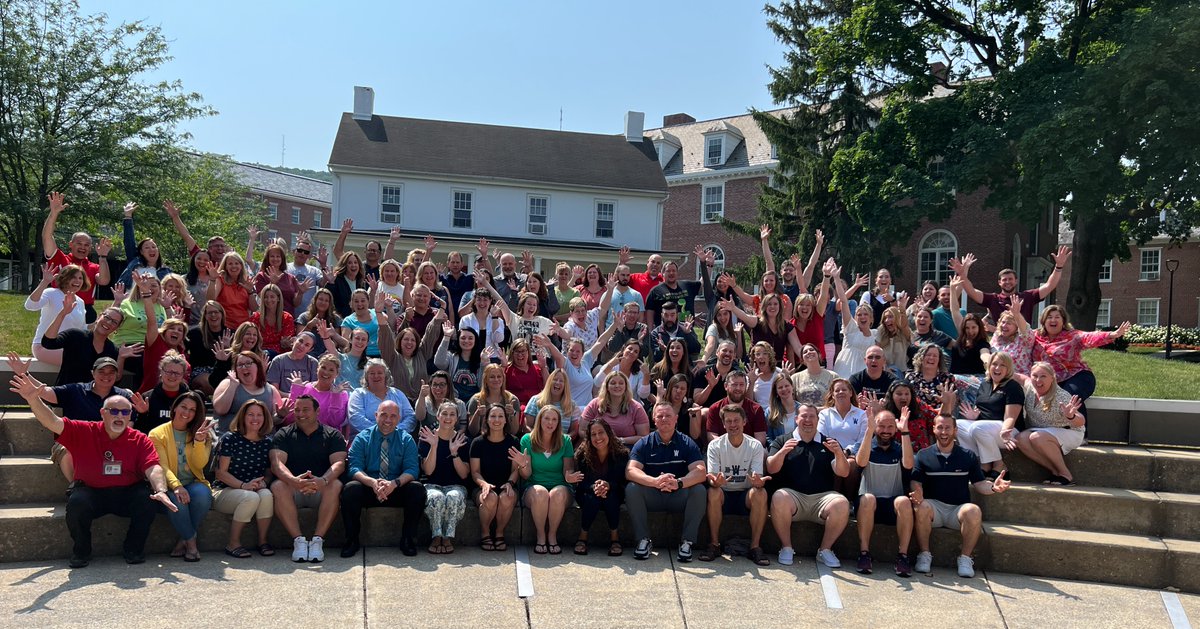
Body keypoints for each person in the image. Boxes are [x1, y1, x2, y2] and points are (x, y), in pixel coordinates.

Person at [11, 373, 176, 568]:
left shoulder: (140, 439)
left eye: (125, 412)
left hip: (126, 492)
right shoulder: (84, 430)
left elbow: (153, 467)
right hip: (92, 492)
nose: (119, 416)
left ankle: (133, 549)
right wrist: (33, 399)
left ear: (130, 416)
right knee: (76, 502)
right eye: (114, 411)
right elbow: (52, 422)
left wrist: (161, 490)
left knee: (146, 500)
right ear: (103, 413)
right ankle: (81, 550)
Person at [910, 414, 1012, 577]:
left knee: (974, 510)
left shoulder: (968, 456)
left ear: (955, 430)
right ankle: (924, 555)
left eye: (948, 428)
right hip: (933, 510)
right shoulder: (923, 455)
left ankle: (965, 558)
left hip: (957, 511)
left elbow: (979, 484)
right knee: (921, 506)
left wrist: (993, 487)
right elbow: (916, 481)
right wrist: (917, 490)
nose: (944, 432)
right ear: (934, 429)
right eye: (940, 427)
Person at [767, 403, 850, 568]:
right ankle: (786, 547)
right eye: (804, 416)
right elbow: (771, 468)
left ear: (818, 420)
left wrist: (839, 454)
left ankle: (825, 550)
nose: (808, 420)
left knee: (842, 503)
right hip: (793, 498)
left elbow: (843, 472)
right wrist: (783, 452)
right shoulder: (783, 440)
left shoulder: (829, 443)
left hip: (822, 499)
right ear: (796, 419)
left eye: (812, 416)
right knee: (778, 496)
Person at [341, 399, 426, 557]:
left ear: (399, 419)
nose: (388, 420)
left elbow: (412, 469)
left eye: (393, 416)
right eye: (384, 415)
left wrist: (394, 483)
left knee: (417, 489)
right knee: (350, 489)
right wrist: (372, 483)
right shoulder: (362, 438)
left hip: (395, 488)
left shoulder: (406, 439)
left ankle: (408, 540)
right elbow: (354, 468)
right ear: (376, 415)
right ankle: (351, 540)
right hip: (370, 487)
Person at [625, 402, 707, 562]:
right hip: (653, 495)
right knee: (632, 488)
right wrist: (654, 481)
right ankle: (643, 540)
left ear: (676, 419)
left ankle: (687, 542)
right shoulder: (644, 443)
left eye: (668, 416)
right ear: (654, 420)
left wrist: (679, 482)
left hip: (678, 495)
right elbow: (630, 471)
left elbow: (701, 471)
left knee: (699, 490)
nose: (664, 419)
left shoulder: (687, 442)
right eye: (660, 416)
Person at [270, 395, 347, 563]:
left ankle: (317, 541)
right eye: (297, 410)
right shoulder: (283, 434)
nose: (300, 413)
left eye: (305, 410)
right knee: (277, 486)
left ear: (317, 412)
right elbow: (277, 464)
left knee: (336, 485)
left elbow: (339, 464)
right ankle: (299, 541)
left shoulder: (333, 434)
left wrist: (323, 481)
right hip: (293, 489)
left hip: (321, 489)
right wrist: (293, 481)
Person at [699, 404, 771, 566]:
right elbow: (712, 477)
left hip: (744, 495)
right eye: (728, 421)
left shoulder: (754, 446)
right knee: (713, 492)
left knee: (761, 493)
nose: (733, 425)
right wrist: (715, 482)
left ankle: (755, 547)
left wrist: (758, 483)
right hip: (723, 494)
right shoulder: (715, 446)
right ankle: (714, 544)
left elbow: (756, 477)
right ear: (723, 424)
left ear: (744, 421)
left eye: (736, 420)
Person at [848, 406, 915, 576]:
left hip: (892, 507)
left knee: (904, 501)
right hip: (868, 507)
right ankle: (864, 554)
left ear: (895, 428)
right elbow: (861, 462)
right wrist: (869, 432)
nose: (886, 431)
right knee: (868, 499)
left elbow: (908, 465)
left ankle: (903, 556)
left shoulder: (900, 448)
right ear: (875, 426)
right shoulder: (865, 444)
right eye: (881, 426)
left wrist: (905, 432)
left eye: (890, 427)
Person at [147, 392, 213, 562]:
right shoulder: (157, 433)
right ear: (174, 407)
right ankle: (191, 544)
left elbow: (199, 465)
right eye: (184, 407)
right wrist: (176, 485)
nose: (187, 412)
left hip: (192, 482)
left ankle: (183, 539)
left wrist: (199, 441)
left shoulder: (201, 433)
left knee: (203, 494)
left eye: (192, 409)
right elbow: (161, 466)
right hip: (167, 486)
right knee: (178, 501)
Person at [212, 399, 278, 558]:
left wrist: (264, 482)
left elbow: (269, 472)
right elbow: (221, 473)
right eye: (250, 414)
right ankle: (233, 543)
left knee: (267, 495)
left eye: (259, 415)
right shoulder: (230, 438)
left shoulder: (267, 442)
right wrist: (243, 485)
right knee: (251, 497)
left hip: (253, 488)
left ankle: (262, 541)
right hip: (225, 490)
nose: (255, 419)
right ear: (243, 416)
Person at [511, 406, 580, 555]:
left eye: (554, 419)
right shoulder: (527, 440)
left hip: (560, 486)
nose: (550, 422)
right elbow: (526, 475)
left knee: (557, 493)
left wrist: (569, 477)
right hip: (533, 486)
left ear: (559, 423)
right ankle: (541, 535)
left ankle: (552, 535)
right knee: (541, 493)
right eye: (547, 418)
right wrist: (522, 464)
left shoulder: (565, 440)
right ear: (539, 420)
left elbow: (567, 471)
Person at [1032, 305, 1130, 408]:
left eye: (1057, 317)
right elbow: (1020, 336)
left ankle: (1079, 424)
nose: (1053, 320)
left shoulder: (1073, 336)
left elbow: (1090, 337)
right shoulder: (1035, 336)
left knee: (1068, 398)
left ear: (1063, 321)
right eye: (1049, 317)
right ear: (1043, 321)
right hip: (1050, 381)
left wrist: (1112, 334)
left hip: (1077, 376)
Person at [950, 247, 1072, 322]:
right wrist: (962, 273)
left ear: (1016, 281)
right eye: (1004, 280)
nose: (1007, 282)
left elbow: (1050, 285)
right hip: (1001, 341)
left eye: (1010, 279)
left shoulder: (1028, 297)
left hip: (1022, 339)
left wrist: (1059, 266)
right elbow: (971, 291)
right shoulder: (992, 299)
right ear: (999, 282)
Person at [1018, 362, 1087, 486]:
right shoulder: (1031, 388)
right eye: (1035, 375)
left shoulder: (1061, 396)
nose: (1038, 380)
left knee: (1037, 437)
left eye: (1043, 376)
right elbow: (1021, 378)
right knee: (1020, 439)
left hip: (1069, 431)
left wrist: (1070, 416)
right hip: (1041, 431)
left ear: (1052, 378)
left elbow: (1080, 420)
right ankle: (1055, 471)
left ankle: (1066, 475)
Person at [957, 352, 1025, 478]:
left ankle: (999, 465)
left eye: (1002, 365)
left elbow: (1010, 417)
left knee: (977, 428)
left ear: (1008, 369)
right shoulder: (984, 385)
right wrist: (974, 417)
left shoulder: (1013, 387)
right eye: (994, 364)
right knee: (958, 425)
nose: (997, 368)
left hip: (1008, 430)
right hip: (984, 429)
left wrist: (1006, 430)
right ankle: (980, 462)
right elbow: (983, 411)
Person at [41, 191, 106, 322]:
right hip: (60, 305)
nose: (83, 247)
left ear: (90, 248)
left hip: (86, 310)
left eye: (86, 245)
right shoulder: (60, 258)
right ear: (71, 244)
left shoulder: (95, 267)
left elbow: (104, 281)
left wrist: (103, 256)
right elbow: (47, 237)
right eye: (79, 243)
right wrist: (54, 213)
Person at [418, 402, 471, 554]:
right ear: (438, 416)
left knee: (453, 497)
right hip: (432, 485)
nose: (448, 418)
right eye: (444, 414)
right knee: (437, 497)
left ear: (456, 418)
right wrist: (434, 446)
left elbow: (464, 474)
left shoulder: (462, 440)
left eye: (452, 414)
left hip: (456, 486)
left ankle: (447, 537)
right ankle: (436, 536)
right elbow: (428, 471)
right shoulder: (427, 437)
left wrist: (454, 453)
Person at [573, 418, 629, 556]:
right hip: (588, 491)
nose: (598, 437)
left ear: (608, 433)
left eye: (601, 432)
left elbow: (622, 480)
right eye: (593, 434)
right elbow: (582, 481)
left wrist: (608, 485)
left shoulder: (622, 454)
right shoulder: (582, 454)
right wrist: (595, 486)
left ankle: (615, 538)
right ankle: (583, 536)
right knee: (594, 498)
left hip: (614, 491)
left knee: (611, 497)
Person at [469, 403, 521, 552]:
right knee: (489, 498)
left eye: (500, 416)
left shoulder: (513, 442)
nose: (496, 420)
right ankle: (485, 533)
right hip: (482, 486)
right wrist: (484, 484)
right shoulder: (477, 443)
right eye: (493, 416)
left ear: (505, 420)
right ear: (486, 419)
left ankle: (499, 532)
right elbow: (475, 472)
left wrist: (510, 483)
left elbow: (515, 469)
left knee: (507, 498)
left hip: (507, 484)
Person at [41, 301, 126, 386]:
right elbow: (48, 343)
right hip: (66, 394)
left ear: (117, 328)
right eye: (107, 317)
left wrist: (121, 357)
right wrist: (62, 314)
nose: (109, 322)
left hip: (93, 397)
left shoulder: (112, 350)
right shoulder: (75, 335)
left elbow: (115, 380)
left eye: (114, 322)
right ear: (99, 317)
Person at [379, 295, 443, 401]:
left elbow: (431, 331)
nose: (409, 343)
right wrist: (378, 312)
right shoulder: (392, 356)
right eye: (406, 339)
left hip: (421, 402)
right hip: (398, 402)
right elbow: (385, 335)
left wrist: (442, 308)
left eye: (413, 340)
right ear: (400, 341)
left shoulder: (422, 353)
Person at [26, 262, 89, 365]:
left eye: (80, 278)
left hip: (68, 348)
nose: (77, 281)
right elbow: (30, 305)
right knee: (80, 359)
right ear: (64, 278)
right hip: (44, 347)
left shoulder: (80, 302)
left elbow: (82, 328)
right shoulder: (51, 293)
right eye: (73, 277)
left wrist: (97, 323)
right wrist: (44, 282)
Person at [213, 351, 285, 435]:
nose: (244, 367)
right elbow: (220, 410)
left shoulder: (270, 390)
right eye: (240, 365)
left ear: (258, 366)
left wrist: (280, 415)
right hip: (230, 438)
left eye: (248, 363)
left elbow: (272, 421)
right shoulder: (227, 384)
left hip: (262, 439)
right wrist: (232, 386)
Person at [347, 359, 416, 442]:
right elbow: (356, 418)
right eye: (372, 373)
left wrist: (395, 432)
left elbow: (410, 417)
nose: (376, 376)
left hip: (397, 440)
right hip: (366, 441)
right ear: (366, 376)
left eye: (379, 373)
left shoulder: (398, 393)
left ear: (386, 375)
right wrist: (380, 432)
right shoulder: (358, 394)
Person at [285, 353, 351, 436]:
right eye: (323, 367)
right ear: (317, 369)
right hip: (301, 435)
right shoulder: (304, 387)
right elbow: (290, 418)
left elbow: (335, 422)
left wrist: (335, 396)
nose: (326, 372)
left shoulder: (341, 394)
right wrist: (296, 389)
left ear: (336, 374)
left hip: (328, 438)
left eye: (331, 370)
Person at [581, 371, 650, 445]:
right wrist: (600, 441)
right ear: (607, 387)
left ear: (626, 386)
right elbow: (582, 430)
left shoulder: (636, 407)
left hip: (626, 447)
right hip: (598, 446)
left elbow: (644, 436)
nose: (617, 386)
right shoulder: (594, 404)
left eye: (621, 383)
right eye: (613, 383)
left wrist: (619, 441)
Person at [130, 352, 191, 434]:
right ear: (161, 372)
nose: (173, 376)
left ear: (183, 375)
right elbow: (139, 432)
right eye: (169, 372)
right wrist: (143, 414)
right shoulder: (147, 398)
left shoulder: (191, 399)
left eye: (177, 373)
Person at [705, 370, 769, 446]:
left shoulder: (756, 409)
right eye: (734, 385)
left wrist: (742, 449)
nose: (738, 388)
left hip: (749, 450)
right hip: (723, 450)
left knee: (764, 453)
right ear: (726, 386)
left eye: (741, 385)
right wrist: (729, 447)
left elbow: (760, 439)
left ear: (746, 386)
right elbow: (711, 436)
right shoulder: (715, 408)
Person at [833, 272, 875, 376]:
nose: (862, 317)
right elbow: (843, 300)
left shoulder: (875, 334)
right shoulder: (851, 328)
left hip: (865, 373)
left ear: (871, 319)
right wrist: (836, 278)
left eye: (866, 314)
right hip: (845, 369)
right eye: (859, 315)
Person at [187, 301, 232, 394]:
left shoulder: (229, 333)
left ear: (222, 314)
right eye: (210, 313)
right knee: (208, 382)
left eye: (216, 312)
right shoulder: (195, 333)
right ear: (205, 316)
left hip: (223, 369)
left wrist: (228, 348)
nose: (213, 315)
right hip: (200, 370)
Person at [645, 257, 706, 327]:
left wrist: (709, 265)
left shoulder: (687, 285)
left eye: (674, 271)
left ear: (677, 273)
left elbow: (703, 282)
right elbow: (650, 312)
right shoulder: (655, 291)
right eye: (668, 271)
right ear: (662, 274)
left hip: (687, 331)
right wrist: (650, 331)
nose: (671, 273)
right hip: (664, 332)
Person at [466, 364, 522, 437]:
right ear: (485, 380)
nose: (496, 379)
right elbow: (473, 432)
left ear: (503, 378)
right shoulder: (476, 400)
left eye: (499, 376)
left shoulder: (512, 399)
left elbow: (514, 432)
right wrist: (477, 414)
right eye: (492, 377)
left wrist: (512, 414)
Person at [208, 251, 258, 329]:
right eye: (230, 264)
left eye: (236, 263)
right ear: (225, 267)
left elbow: (254, 308)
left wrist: (250, 292)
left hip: (243, 328)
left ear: (241, 266)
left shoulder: (246, 282)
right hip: (225, 326)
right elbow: (210, 299)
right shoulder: (220, 280)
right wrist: (212, 280)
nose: (233, 266)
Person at [523, 368, 580, 435]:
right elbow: (527, 426)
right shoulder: (535, 400)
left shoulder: (572, 405)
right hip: (537, 442)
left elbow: (573, 431)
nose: (557, 383)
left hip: (561, 444)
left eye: (561, 381)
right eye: (555, 379)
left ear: (565, 385)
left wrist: (563, 441)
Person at [253, 243, 304, 315]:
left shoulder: (290, 278)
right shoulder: (261, 276)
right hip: (269, 318)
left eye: (278, 256)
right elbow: (262, 297)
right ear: (267, 258)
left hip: (287, 318)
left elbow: (295, 304)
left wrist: (301, 293)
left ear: (282, 259)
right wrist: (272, 284)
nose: (275, 259)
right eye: (272, 256)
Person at [992, 296, 1035, 378]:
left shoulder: (1023, 340)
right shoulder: (996, 337)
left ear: (1016, 327)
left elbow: (1025, 329)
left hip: (1019, 381)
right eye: (1003, 322)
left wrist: (1017, 314)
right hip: (997, 379)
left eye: (1009, 323)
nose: (1004, 325)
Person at [251, 283, 296, 358]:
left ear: (278, 298)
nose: (268, 300)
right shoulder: (256, 317)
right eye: (266, 297)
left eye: (272, 297)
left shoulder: (287, 317)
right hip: (260, 353)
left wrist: (286, 343)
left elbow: (286, 341)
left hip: (280, 356)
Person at [287, 233, 325, 315]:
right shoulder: (285, 268)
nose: (302, 253)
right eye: (300, 250)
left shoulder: (314, 271)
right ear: (294, 251)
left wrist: (323, 265)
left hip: (307, 317)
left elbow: (323, 284)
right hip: (288, 315)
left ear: (308, 255)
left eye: (306, 252)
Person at [790, 343, 839, 407]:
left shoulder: (833, 376)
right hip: (803, 415)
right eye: (805, 352)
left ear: (819, 355)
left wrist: (821, 410)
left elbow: (837, 400)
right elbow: (791, 401)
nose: (809, 352)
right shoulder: (795, 378)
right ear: (802, 360)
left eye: (811, 350)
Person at [328, 250, 368, 317]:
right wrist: (330, 284)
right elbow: (329, 299)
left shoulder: (361, 282)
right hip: (340, 319)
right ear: (344, 265)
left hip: (357, 319)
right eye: (349, 263)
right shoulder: (336, 280)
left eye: (355, 262)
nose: (353, 265)